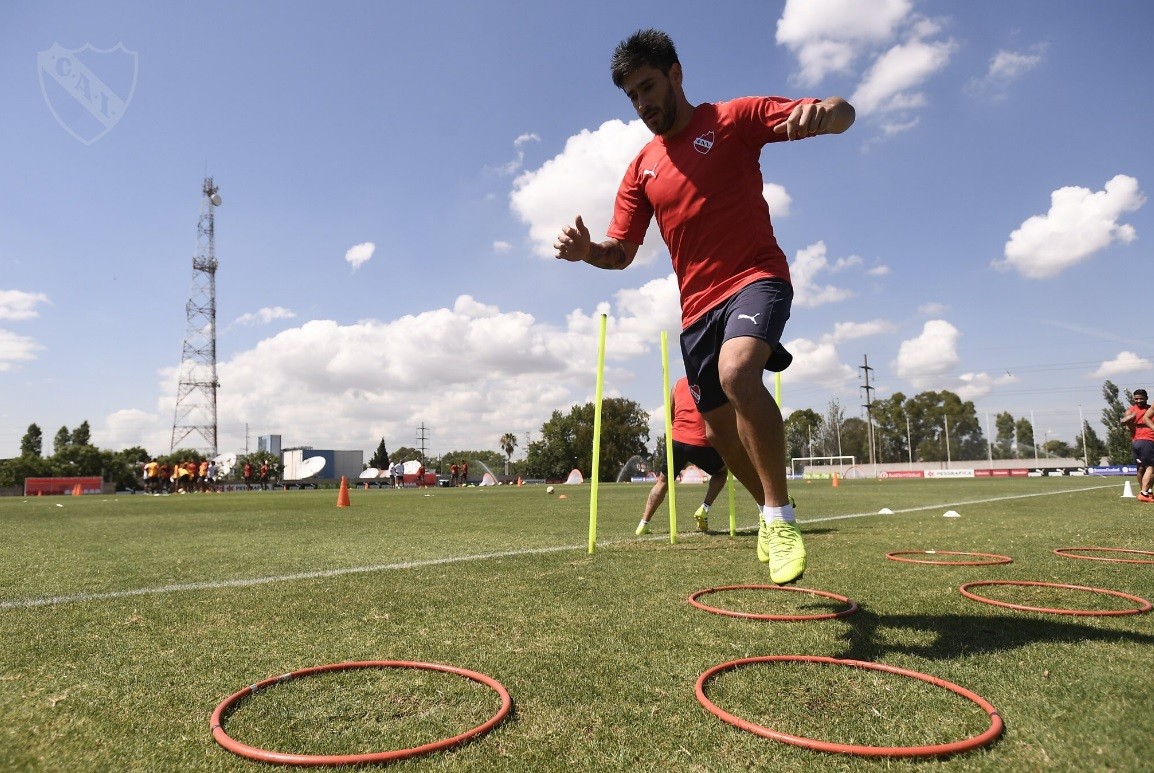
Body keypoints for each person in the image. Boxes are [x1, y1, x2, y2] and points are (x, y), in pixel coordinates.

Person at [555, 29, 854, 584]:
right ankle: (768, 511)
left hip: (756, 277)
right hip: (696, 312)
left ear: (676, 74)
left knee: (739, 373)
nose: (643, 104)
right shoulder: (641, 167)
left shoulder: (732, 119)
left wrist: (825, 116)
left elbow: (840, 109)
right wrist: (586, 253)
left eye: (648, 86)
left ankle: (781, 517)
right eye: (632, 96)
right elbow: (620, 252)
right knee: (717, 434)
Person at [636, 377, 729, 536]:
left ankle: (643, 524)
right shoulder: (713, 380)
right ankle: (704, 509)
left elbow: (672, 413)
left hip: (676, 439)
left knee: (662, 482)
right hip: (700, 441)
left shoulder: (678, 384)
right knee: (721, 472)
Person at [1121, 388, 1154, 502]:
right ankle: (1144, 492)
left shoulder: (1150, 409)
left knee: (1148, 467)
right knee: (1142, 468)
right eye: (1136, 398)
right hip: (1141, 441)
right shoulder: (1131, 410)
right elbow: (1125, 424)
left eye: (1141, 398)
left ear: (1146, 398)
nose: (1138, 400)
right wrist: (1128, 420)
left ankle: (1147, 492)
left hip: (1146, 441)